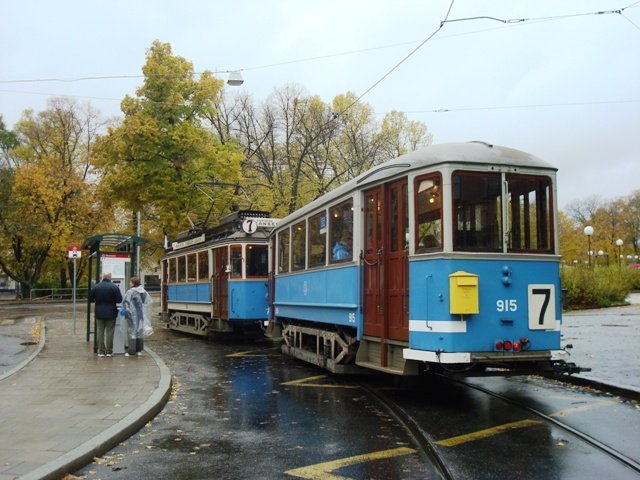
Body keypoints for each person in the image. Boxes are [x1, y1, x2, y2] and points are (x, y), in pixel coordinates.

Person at [89, 272, 123, 358]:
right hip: (111, 312)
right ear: (110, 277)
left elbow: (90, 299)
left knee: (100, 332)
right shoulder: (114, 287)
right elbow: (119, 300)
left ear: (102, 277)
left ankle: (101, 351)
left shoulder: (96, 287)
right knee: (110, 332)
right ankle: (109, 351)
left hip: (99, 312)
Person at [121, 276, 152, 357]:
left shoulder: (130, 292)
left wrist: (127, 313)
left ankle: (131, 351)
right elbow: (146, 302)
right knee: (139, 332)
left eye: (131, 282)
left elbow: (125, 302)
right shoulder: (143, 291)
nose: (129, 283)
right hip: (141, 314)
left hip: (132, 315)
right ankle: (139, 350)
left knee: (132, 332)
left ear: (133, 283)